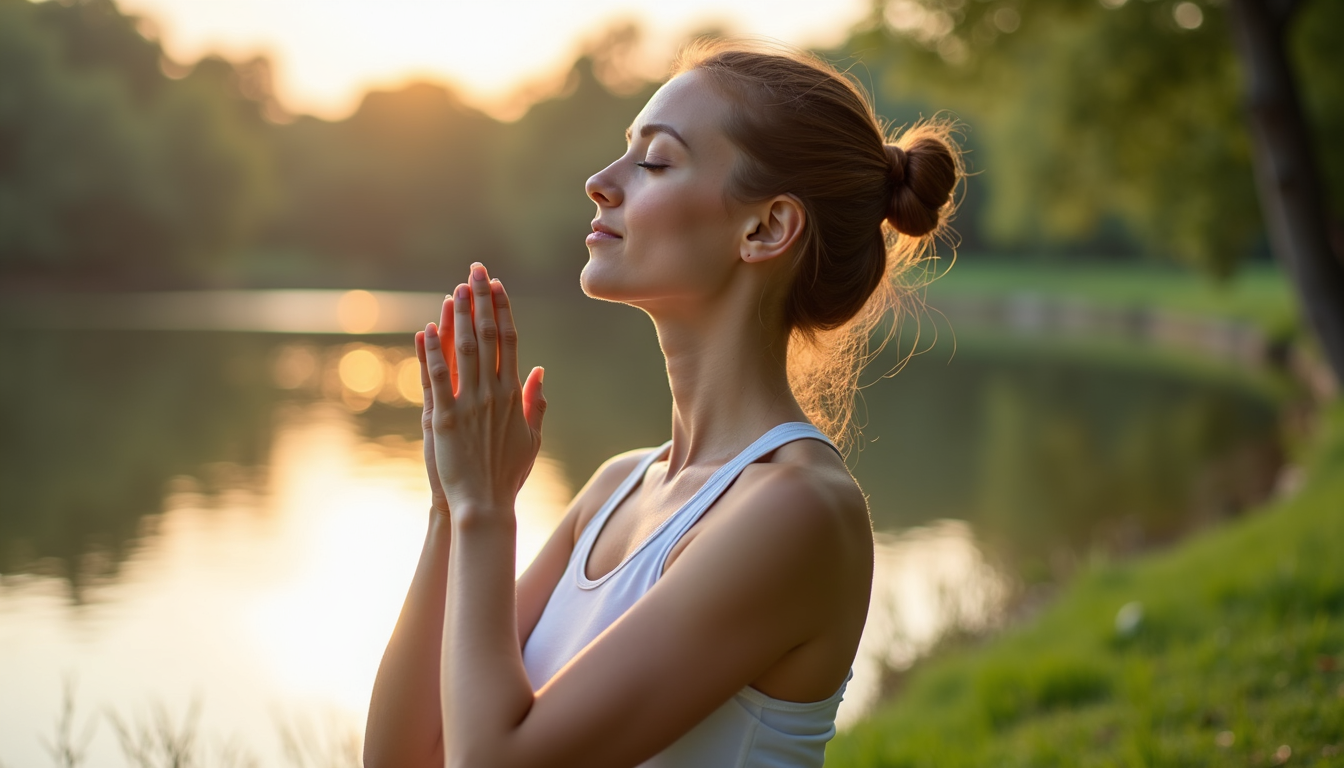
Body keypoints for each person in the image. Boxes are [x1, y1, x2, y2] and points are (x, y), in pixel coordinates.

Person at [364, 39, 960, 768]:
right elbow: (401, 759)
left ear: (766, 228)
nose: (599, 182)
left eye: (653, 161)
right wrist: (450, 507)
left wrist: (487, 508)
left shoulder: (800, 510)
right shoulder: (615, 488)